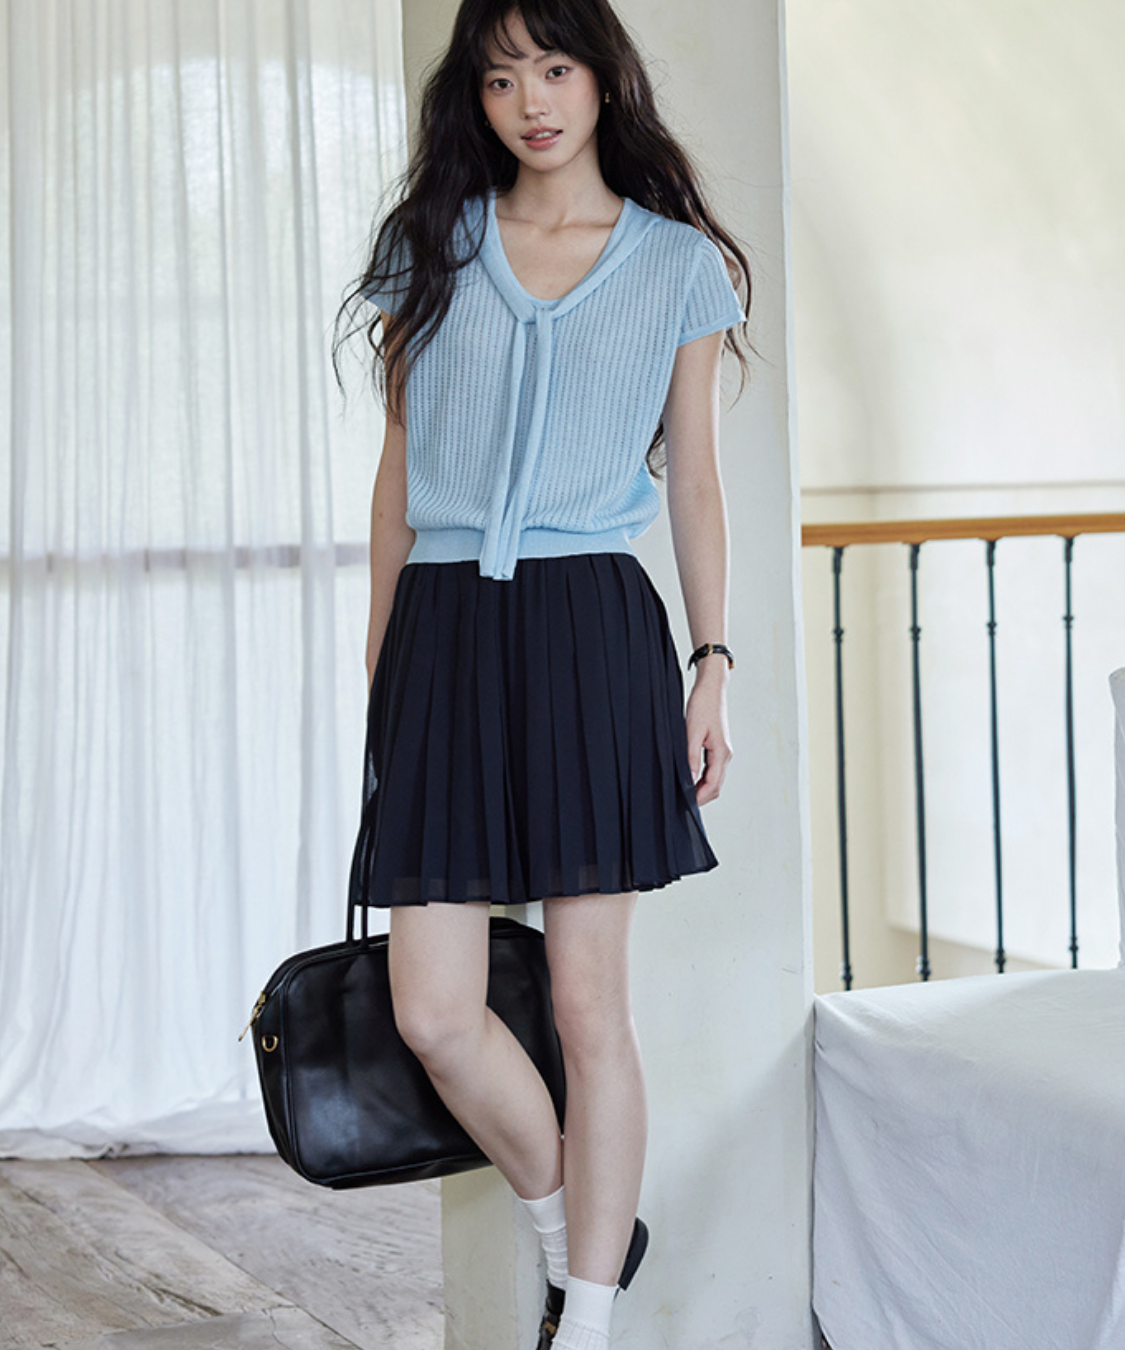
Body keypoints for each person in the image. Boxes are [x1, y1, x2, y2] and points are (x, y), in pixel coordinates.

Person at [332, 2, 754, 1346]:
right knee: (435, 1009)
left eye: (555, 69)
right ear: (477, 95)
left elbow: (696, 480)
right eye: (503, 76)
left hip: (592, 630)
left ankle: (593, 1316)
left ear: (601, 80)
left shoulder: (675, 264)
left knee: (587, 1004)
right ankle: (575, 1226)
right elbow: (398, 475)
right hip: (446, 630)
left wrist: (712, 663)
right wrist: (386, 657)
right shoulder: (433, 248)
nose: (533, 101)